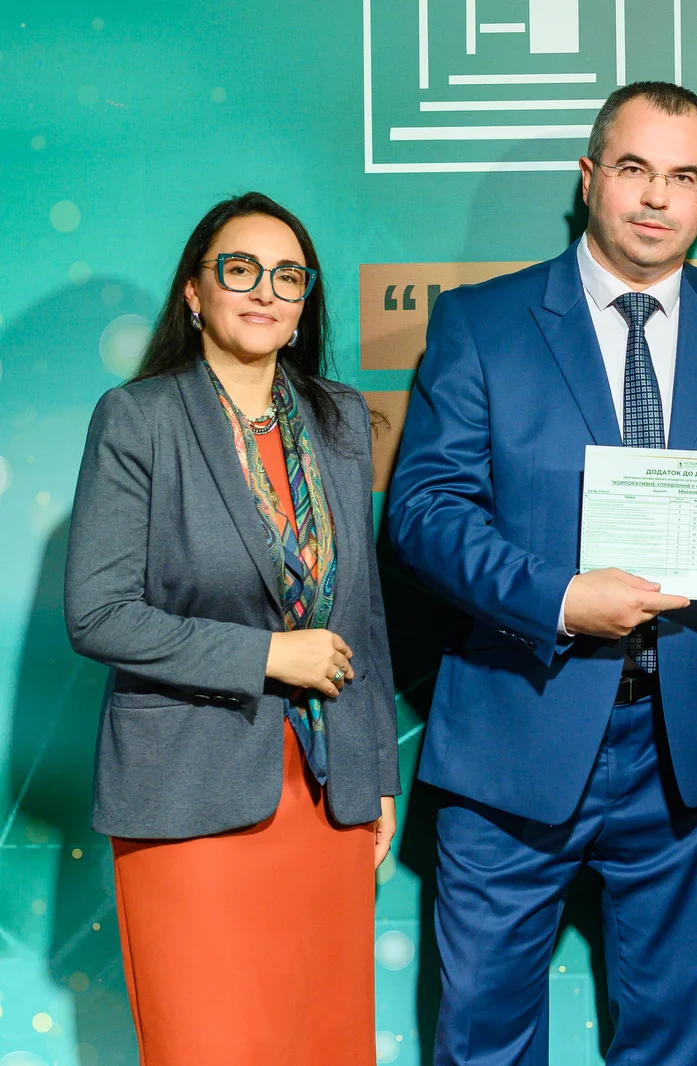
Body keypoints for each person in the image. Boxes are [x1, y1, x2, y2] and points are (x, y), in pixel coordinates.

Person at [386, 81, 697, 1066]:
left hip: (689, 754)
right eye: (634, 169)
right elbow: (425, 510)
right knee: (483, 1043)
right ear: (588, 177)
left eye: (683, 176)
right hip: (514, 735)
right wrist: (562, 598)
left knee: (677, 1047)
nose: (657, 196)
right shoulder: (482, 323)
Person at [64, 192, 399, 1066]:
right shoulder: (139, 418)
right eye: (240, 269)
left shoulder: (338, 420)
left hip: (324, 796)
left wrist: (376, 775)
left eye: (288, 276)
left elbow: (360, 612)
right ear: (194, 291)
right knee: (209, 1043)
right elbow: (98, 614)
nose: (264, 291)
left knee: (321, 1043)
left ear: (305, 301)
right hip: (188, 796)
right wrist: (267, 655)